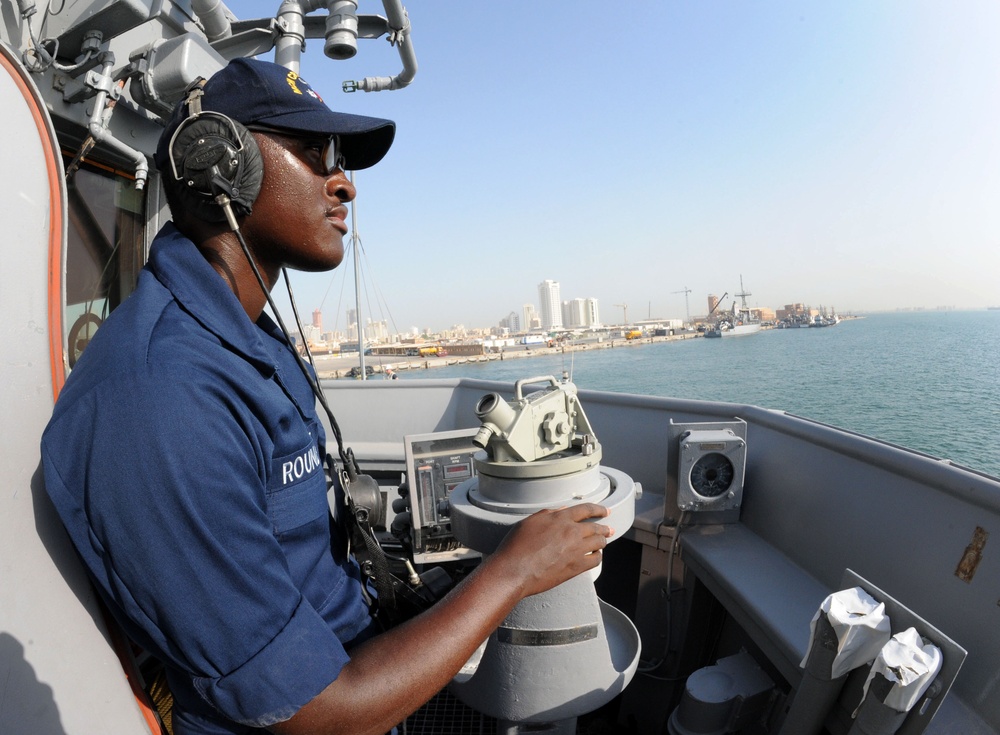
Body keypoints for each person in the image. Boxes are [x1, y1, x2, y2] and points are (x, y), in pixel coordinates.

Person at [40, 58, 612, 735]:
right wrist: (511, 574)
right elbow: (318, 712)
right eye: (315, 154)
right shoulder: (161, 402)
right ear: (219, 165)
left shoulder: (244, 335)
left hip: (361, 651)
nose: (345, 184)